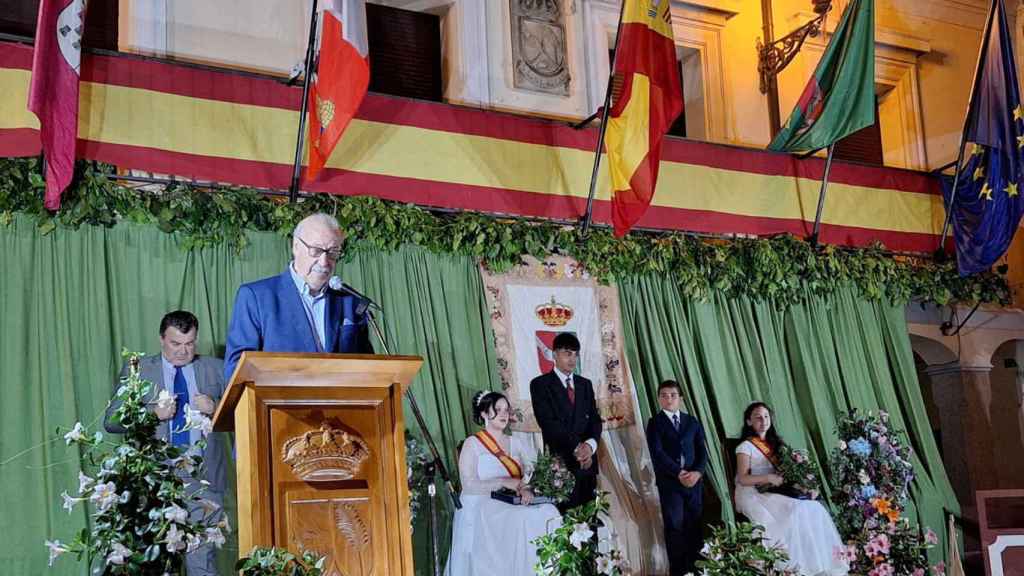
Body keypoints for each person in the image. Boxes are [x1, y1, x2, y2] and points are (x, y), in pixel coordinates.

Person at [103, 310, 227, 576]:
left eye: (190, 343)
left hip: (203, 481)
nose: (183, 351)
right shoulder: (138, 368)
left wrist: (215, 408)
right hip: (154, 480)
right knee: (153, 563)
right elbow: (111, 422)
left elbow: (244, 418)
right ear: (161, 339)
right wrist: (152, 414)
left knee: (202, 564)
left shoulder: (216, 368)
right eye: (175, 344)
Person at [224, 212, 373, 380]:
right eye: (316, 251)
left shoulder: (350, 302)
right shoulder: (256, 297)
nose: (324, 262)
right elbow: (236, 370)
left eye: (333, 252)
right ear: (296, 246)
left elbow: (367, 367)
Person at [445, 391, 561, 576]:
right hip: (481, 503)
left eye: (506, 410)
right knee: (521, 519)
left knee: (550, 512)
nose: (503, 414)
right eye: (497, 409)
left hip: (510, 500)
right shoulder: (472, 443)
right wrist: (505, 482)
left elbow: (534, 472)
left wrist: (527, 488)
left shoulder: (516, 442)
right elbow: (468, 485)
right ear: (483, 414)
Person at [734, 402, 848, 576]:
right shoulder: (745, 447)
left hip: (773, 491)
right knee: (794, 510)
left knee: (814, 507)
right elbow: (742, 479)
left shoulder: (776, 444)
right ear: (749, 421)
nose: (763, 421)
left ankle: (818, 564)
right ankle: (791, 568)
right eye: (757, 417)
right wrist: (768, 478)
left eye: (766, 416)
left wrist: (804, 484)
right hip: (752, 493)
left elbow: (787, 473)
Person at [529, 332, 602, 512]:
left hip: (587, 465)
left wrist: (590, 447)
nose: (572, 359)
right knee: (564, 526)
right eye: (567, 353)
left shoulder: (585, 384)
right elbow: (548, 423)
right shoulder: (540, 384)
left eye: (575, 354)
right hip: (560, 469)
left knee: (589, 525)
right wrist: (578, 448)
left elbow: (595, 420)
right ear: (554, 354)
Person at [646, 380, 707, 576]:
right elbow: (657, 453)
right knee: (675, 525)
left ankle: (697, 568)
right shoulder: (654, 423)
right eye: (664, 395)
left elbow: (702, 451)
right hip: (671, 483)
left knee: (695, 524)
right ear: (658, 399)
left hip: (694, 482)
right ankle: (679, 570)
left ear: (680, 398)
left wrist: (697, 472)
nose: (668, 398)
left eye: (673, 395)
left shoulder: (692, 422)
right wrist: (677, 472)